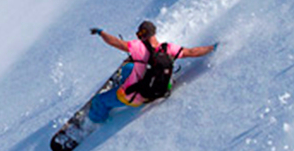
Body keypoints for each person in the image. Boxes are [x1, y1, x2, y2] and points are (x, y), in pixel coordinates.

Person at [85, 20, 216, 123]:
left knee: (99, 101)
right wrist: (212, 47)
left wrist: (101, 32)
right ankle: (129, 80)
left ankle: (96, 120)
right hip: (163, 89)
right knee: (128, 68)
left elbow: (116, 42)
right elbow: (192, 52)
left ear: (143, 35)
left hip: (136, 97)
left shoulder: (138, 48)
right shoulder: (168, 48)